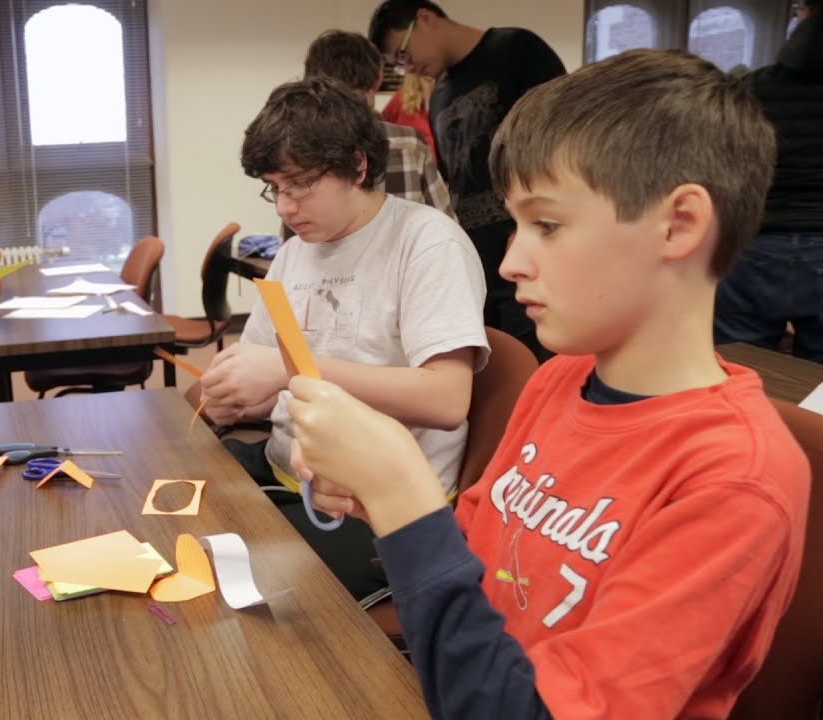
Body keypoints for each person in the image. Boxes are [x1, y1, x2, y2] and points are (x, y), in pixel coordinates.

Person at [287, 49, 809, 718]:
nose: (510, 263)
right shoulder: (558, 381)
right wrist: (372, 493)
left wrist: (401, 492)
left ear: (679, 225)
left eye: (548, 226)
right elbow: (475, 558)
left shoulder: (735, 477)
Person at [197, 76, 487, 599]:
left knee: (239, 596)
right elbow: (264, 373)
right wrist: (231, 395)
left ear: (357, 165)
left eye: (299, 185)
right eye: (274, 188)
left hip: (373, 508)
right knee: (174, 523)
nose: (283, 208)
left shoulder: (427, 242)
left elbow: (448, 399)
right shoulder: (294, 251)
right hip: (288, 475)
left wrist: (290, 370)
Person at [369, 0, 566, 359]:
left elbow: (560, 146)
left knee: (537, 366)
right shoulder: (440, 93)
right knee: (495, 373)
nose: (407, 66)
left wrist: (535, 228)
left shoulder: (515, 49)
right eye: (398, 63)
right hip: (477, 264)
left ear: (425, 19)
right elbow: (453, 181)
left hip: (527, 255)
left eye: (403, 53)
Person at [714, 11, 823, 361]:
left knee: (738, 361)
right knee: (818, 383)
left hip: (755, 243)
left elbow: (723, 164)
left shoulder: (751, 89)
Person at [303, 29, 454, 220]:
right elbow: (445, 223)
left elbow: (294, 241)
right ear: (378, 78)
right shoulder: (410, 143)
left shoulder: (300, 148)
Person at [381, 71, 438, 165]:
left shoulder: (455, 103)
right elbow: (379, 132)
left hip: (444, 176)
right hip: (408, 173)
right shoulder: (401, 99)